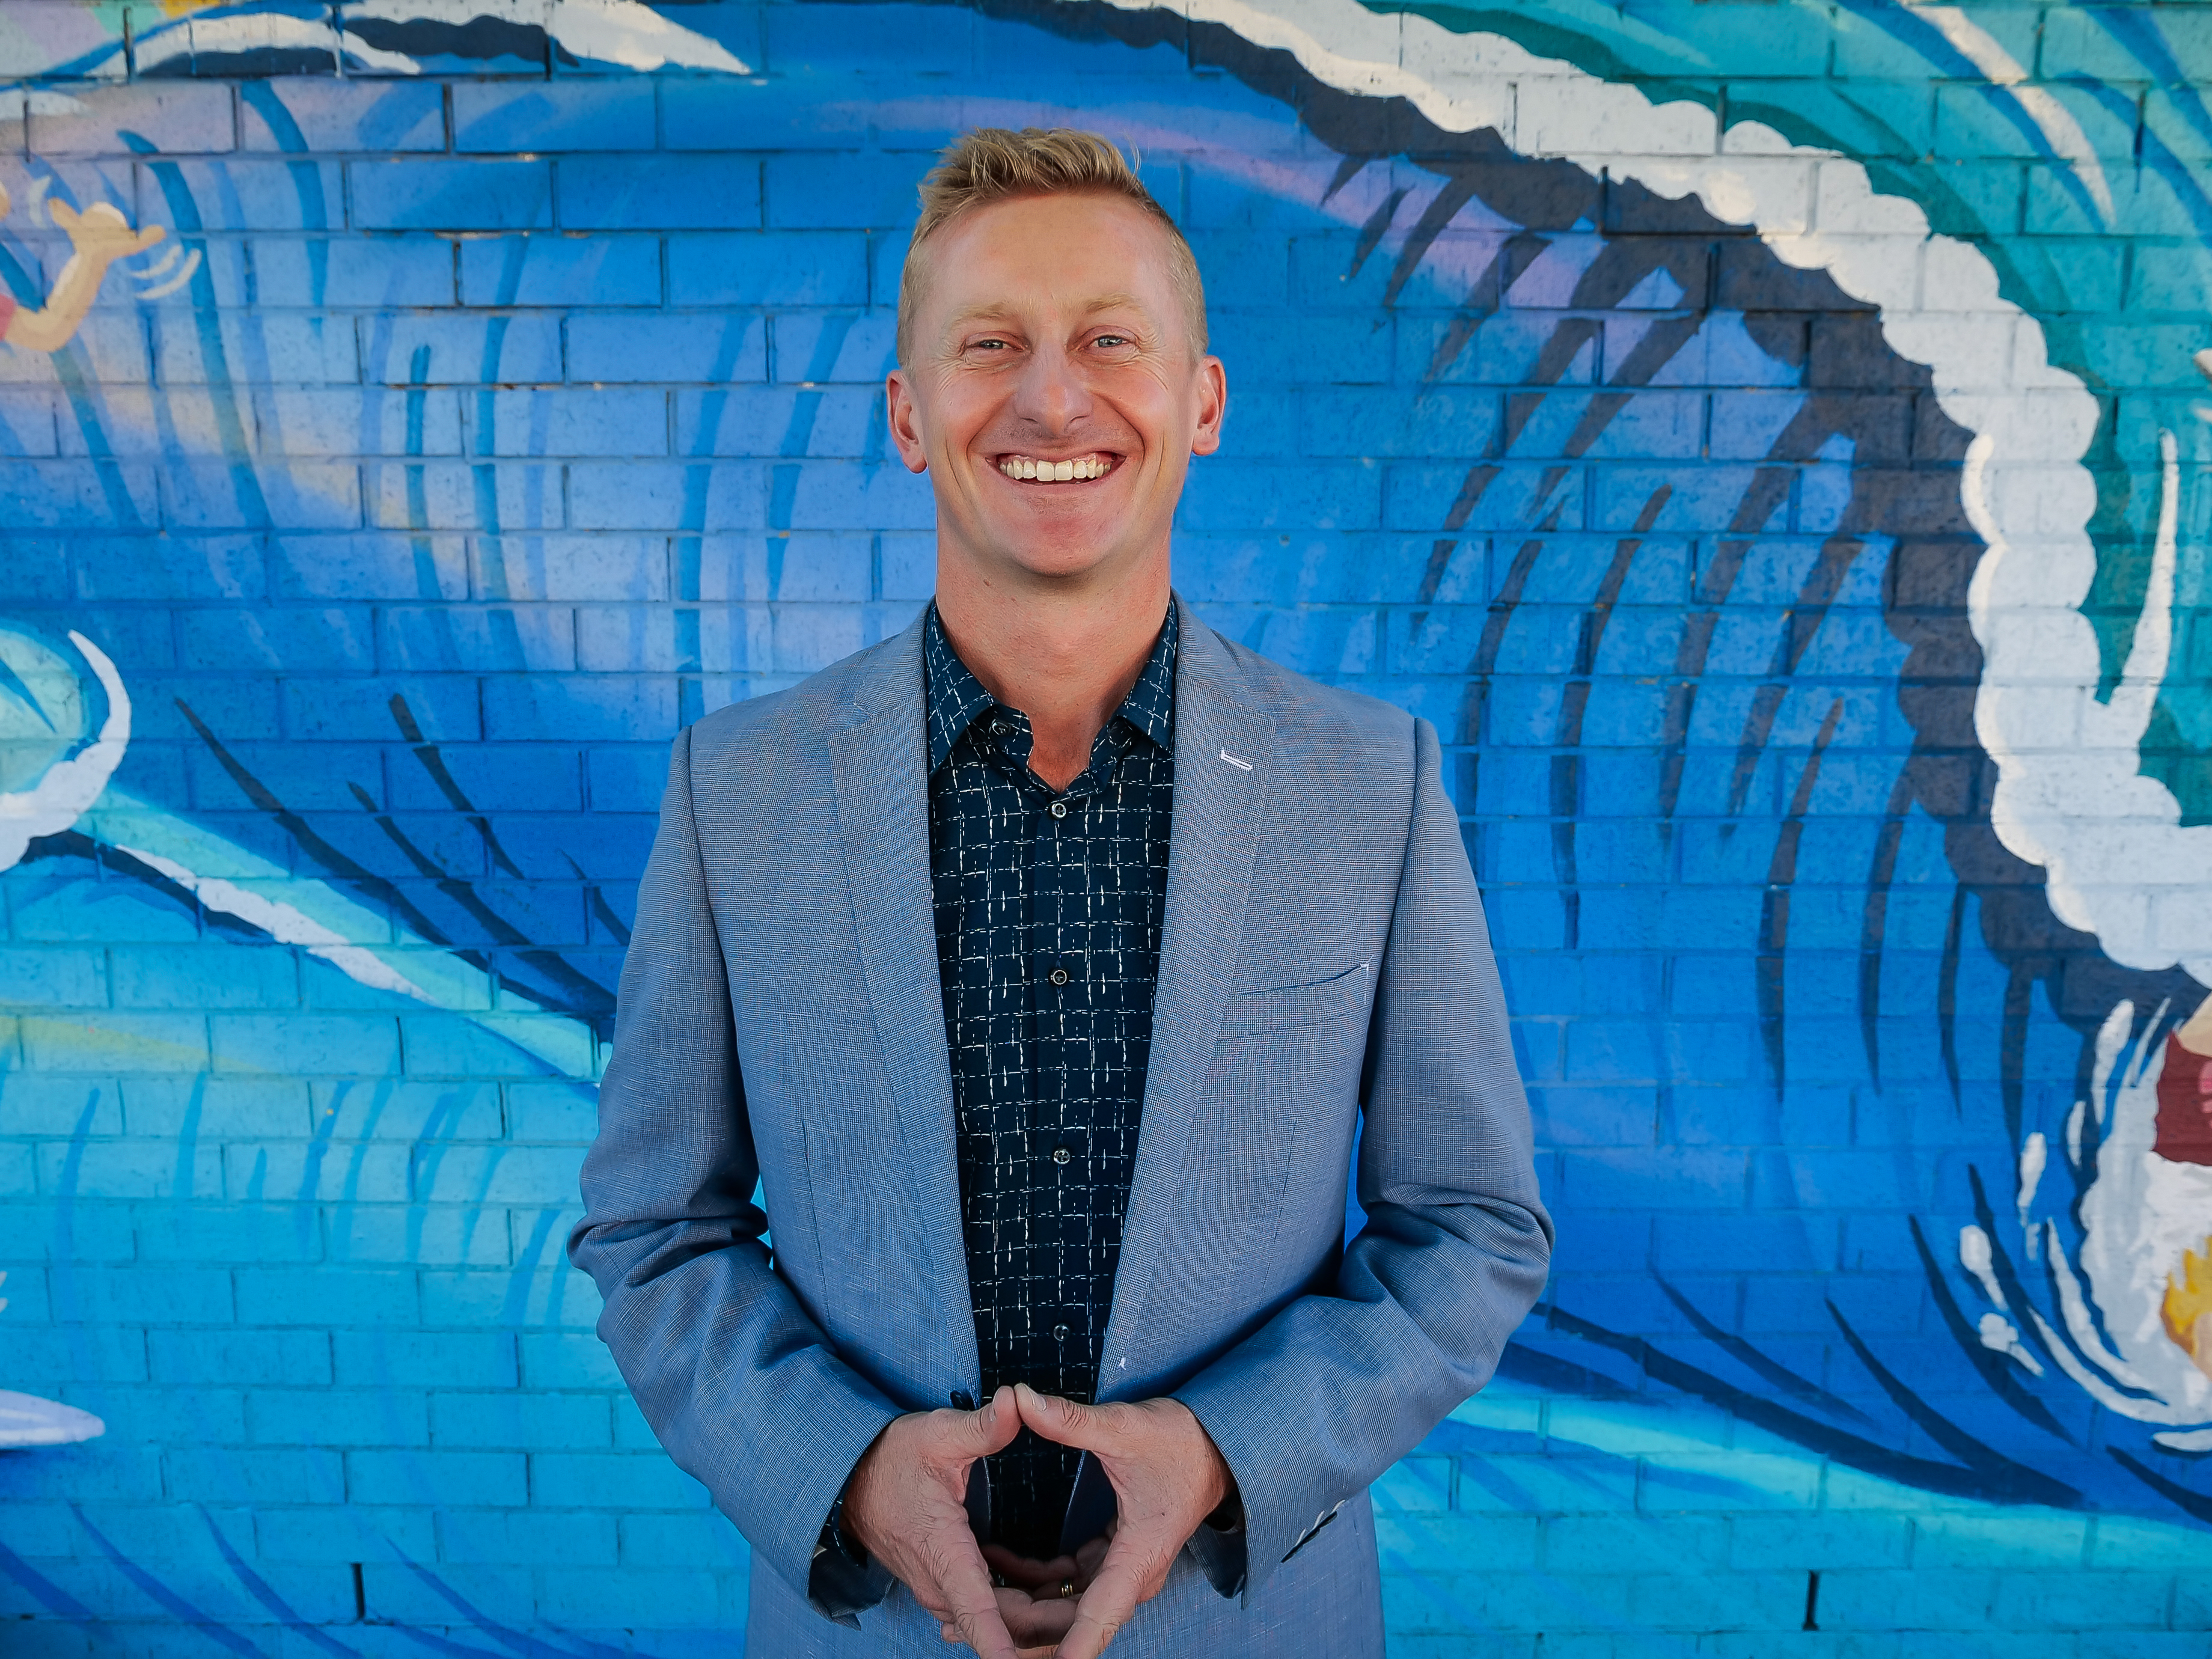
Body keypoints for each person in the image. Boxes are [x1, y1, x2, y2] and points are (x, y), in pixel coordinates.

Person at [569, 127, 1552, 1659]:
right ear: (909, 415)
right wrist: (841, 1472)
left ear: (1200, 402)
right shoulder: (736, 793)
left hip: (1249, 1627)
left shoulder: (1374, 787)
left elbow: (1471, 1230)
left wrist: (1232, 1452)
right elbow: (653, 1231)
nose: (1050, 396)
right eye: (990, 345)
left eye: (1110, 340)